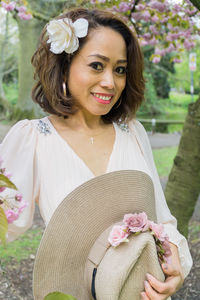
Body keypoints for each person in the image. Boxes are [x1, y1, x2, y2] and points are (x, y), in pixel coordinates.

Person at [0, 7, 192, 300]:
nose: (110, 83)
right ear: (65, 66)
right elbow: (5, 220)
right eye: (96, 65)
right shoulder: (33, 140)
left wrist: (175, 261)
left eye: (119, 69)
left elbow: (161, 219)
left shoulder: (133, 133)